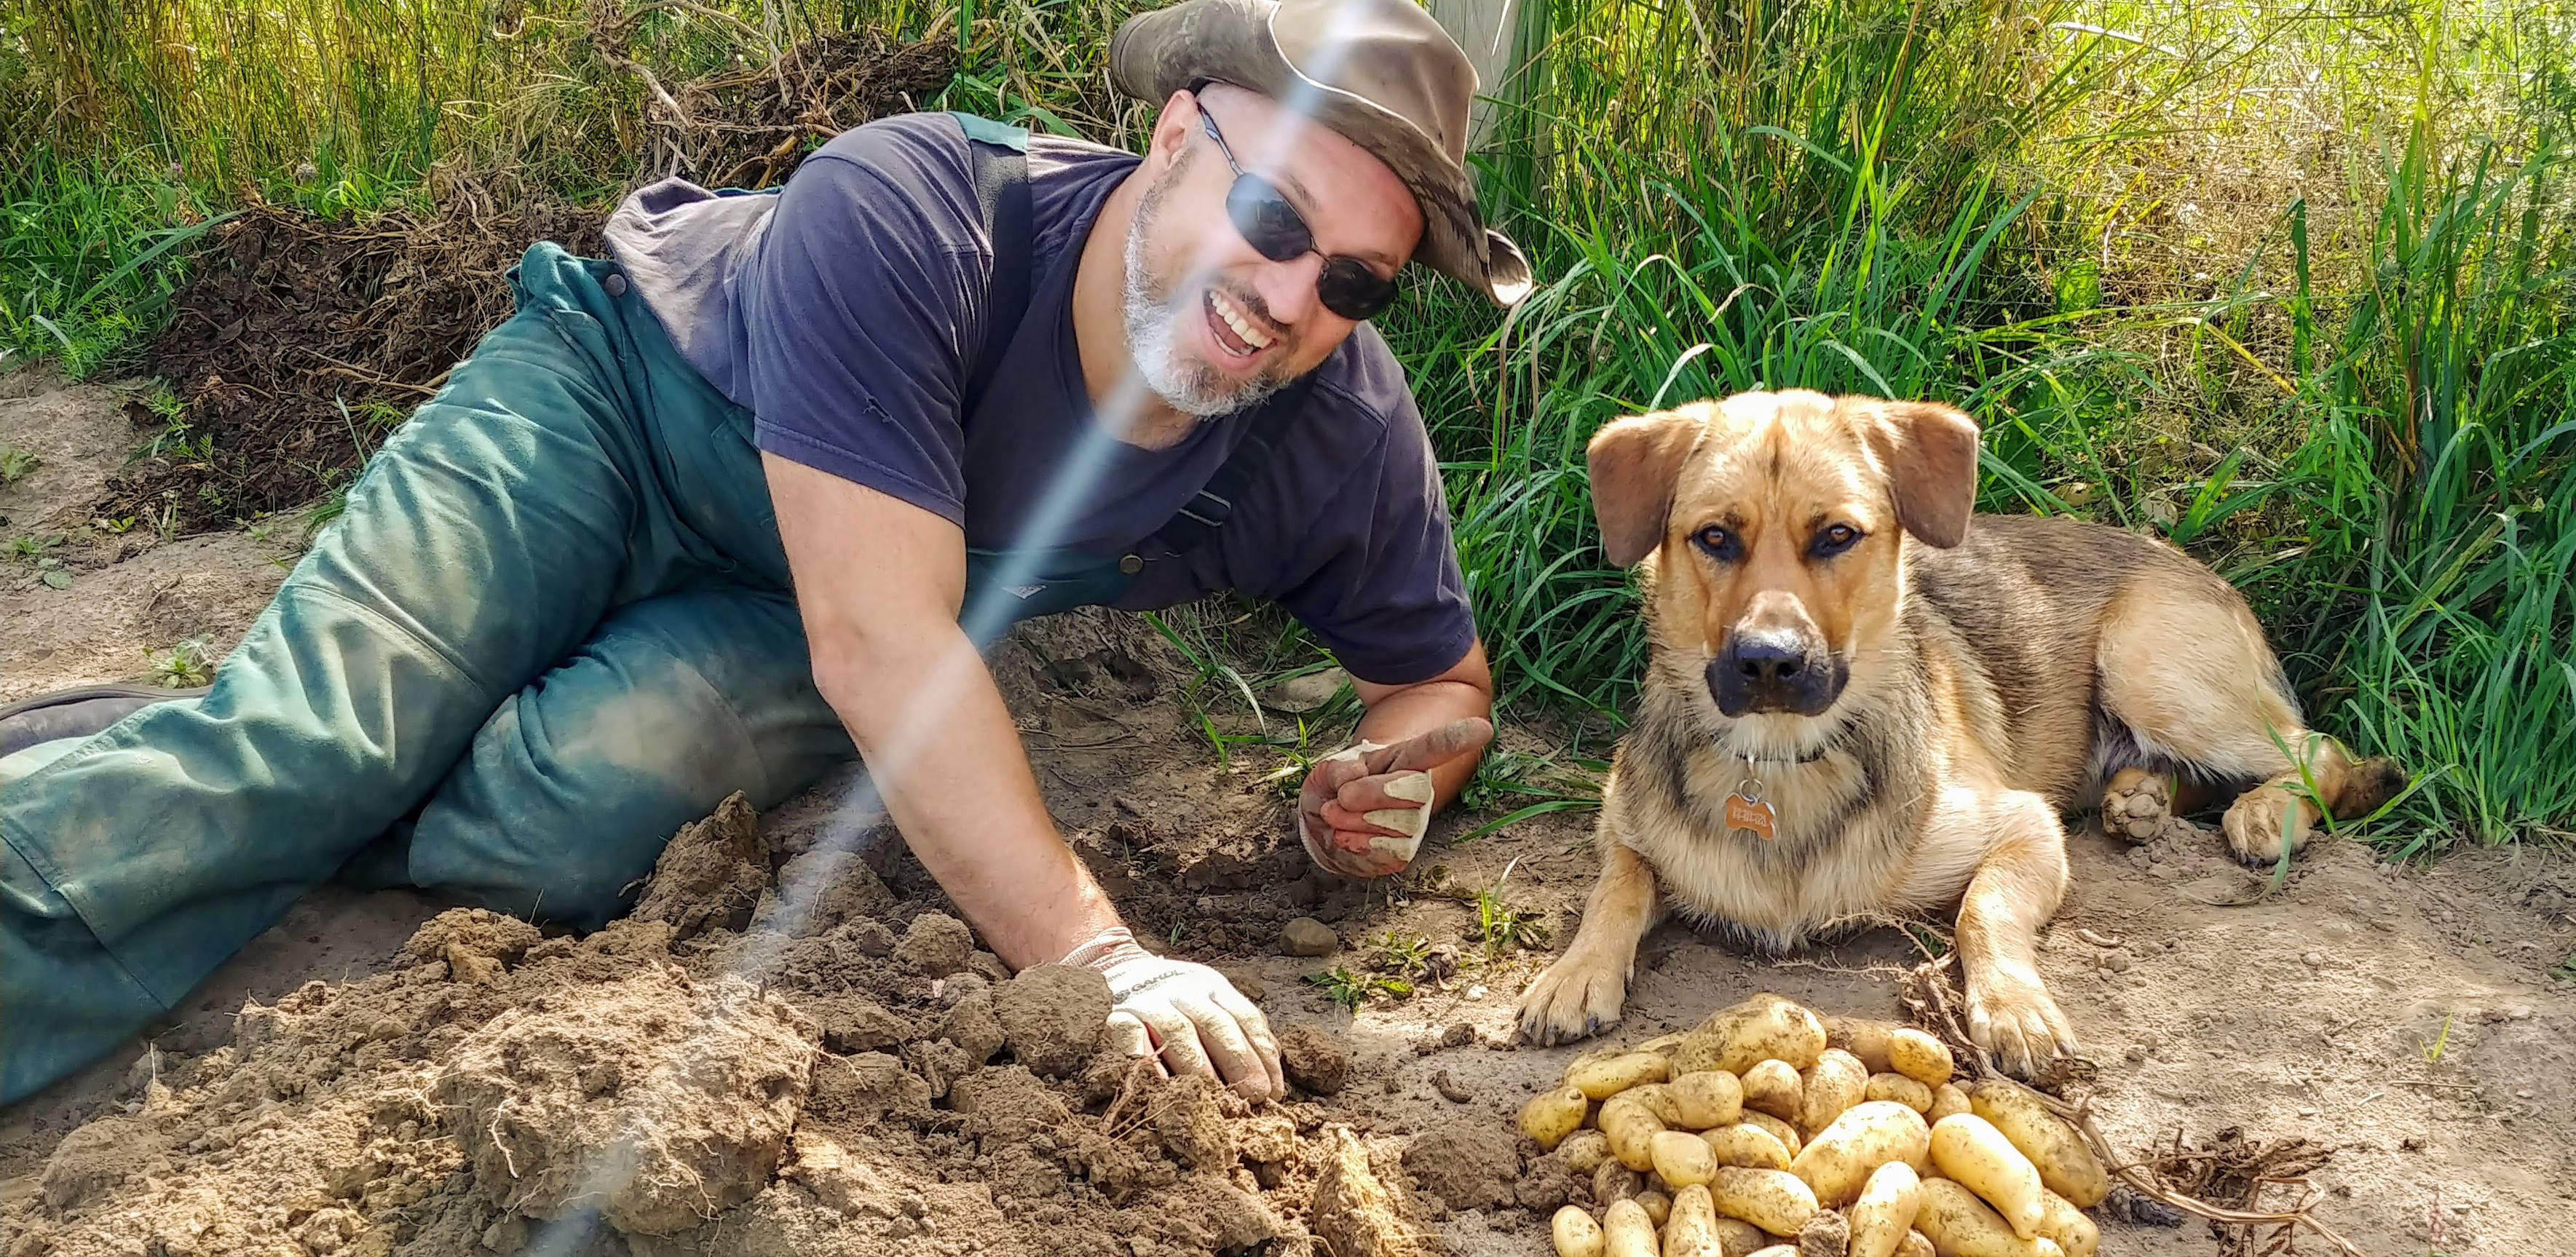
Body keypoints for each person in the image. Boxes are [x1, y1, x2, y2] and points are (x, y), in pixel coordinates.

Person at [0, 0, 1532, 1106]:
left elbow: (1439, 682)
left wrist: (1399, 772)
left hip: (820, 595)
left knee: (551, 834)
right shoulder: (921, 206)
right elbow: (882, 649)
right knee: (310, 743)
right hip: (614, 414)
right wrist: (1101, 955)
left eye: (1355, 277)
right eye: (1271, 213)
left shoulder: (1327, 421)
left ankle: (302, 763)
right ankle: (254, 769)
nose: (1289, 293)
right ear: (1176, 129)